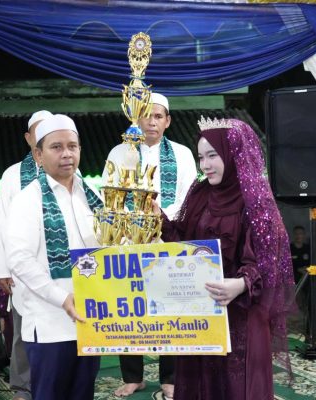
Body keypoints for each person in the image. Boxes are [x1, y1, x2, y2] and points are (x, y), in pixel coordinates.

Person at [160, 117, 294, 399]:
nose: (205, 165)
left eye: (212, 155)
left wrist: (242, 283)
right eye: (201, 157)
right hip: (202, 310)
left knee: (237, 386)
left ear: (233, 154)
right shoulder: (200, 195)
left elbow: (269, 258)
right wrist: (157, 219)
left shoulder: (256, 200)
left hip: (241, 313)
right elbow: (184, 245)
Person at [103, 93, 197, 398]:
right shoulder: (120, 152)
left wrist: (162, 218)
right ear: (136, 117)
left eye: (158, 116)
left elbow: (190, 197)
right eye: (146, 115)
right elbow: (111, 194)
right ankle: (133, 377)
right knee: (129, 307)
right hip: (130, 240)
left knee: (170, 307)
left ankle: (170, 377)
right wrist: (135, 222)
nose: (151, 122)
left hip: (169, 238)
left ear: (167, 121)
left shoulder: (182, 154)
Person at [4, 114, 102, 400]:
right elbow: (20, 260)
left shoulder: (92, 195)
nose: (66, 154)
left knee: (83, 394)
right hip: (50, 324)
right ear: (38, 154)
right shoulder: (28, 199)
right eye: (56, 147)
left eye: (72, 146)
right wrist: (62, 298)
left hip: (91, 320)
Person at [0, 109, 52, 400]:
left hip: (59, 267)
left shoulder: (71, 170)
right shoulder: (12, 174)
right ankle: (22, 388)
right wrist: (2, 269)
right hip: (23, 268)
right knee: (22, 330)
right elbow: (1, 222)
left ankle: (55, 383)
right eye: (38, 131)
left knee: (61, 330)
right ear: (29, 138)